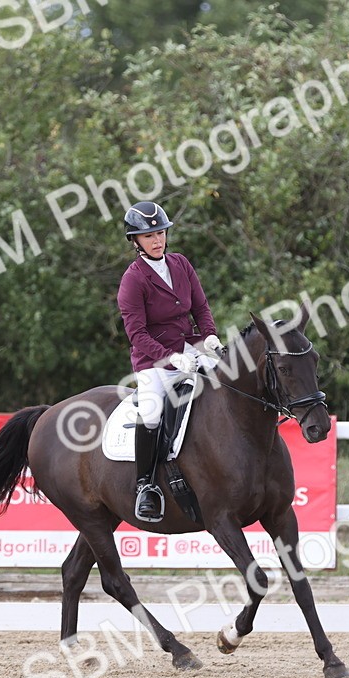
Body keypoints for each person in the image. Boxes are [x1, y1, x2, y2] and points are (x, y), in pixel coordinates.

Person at [116, 201, 221, 522]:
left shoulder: (181, 264)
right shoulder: (133, 280)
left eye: (160, 232)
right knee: (150, 413)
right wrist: (171, 359)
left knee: (229, 385)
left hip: (190, 348)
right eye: (149, 236)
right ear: (135, 241)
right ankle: (146, 485)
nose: (157, 240)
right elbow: (138, 334)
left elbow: (200, 308)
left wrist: (210, 337)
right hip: (153, 361)